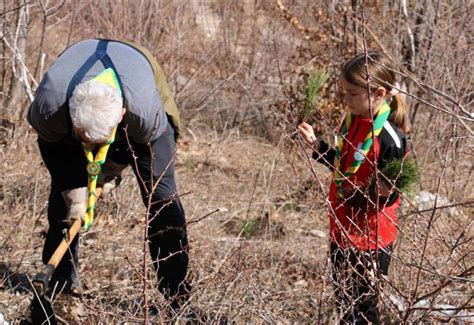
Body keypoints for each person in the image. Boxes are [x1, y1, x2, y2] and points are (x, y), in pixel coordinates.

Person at [27, 39, 189, 312]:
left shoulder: (143, 112)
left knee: (162, 199)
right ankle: (59, 284)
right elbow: (53, 150)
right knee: (63, 201)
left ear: (122, 114)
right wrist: (74, 192)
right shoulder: (49, 108)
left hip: (137, 68)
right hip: (77, 78)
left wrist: (110, 170)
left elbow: (150, 147)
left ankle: (176, 297)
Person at [298, 51, 408, 324]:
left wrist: (372, 193)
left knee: (364, 310)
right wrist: (317, 146)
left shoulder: (390, 138)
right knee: (345, 303)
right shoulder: (353, 123)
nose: (345, 100)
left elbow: (390, 192)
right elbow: (344, 165)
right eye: (345, 92)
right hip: (342, 230)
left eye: (353, 94)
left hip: (369, 238)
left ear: (379, 93)